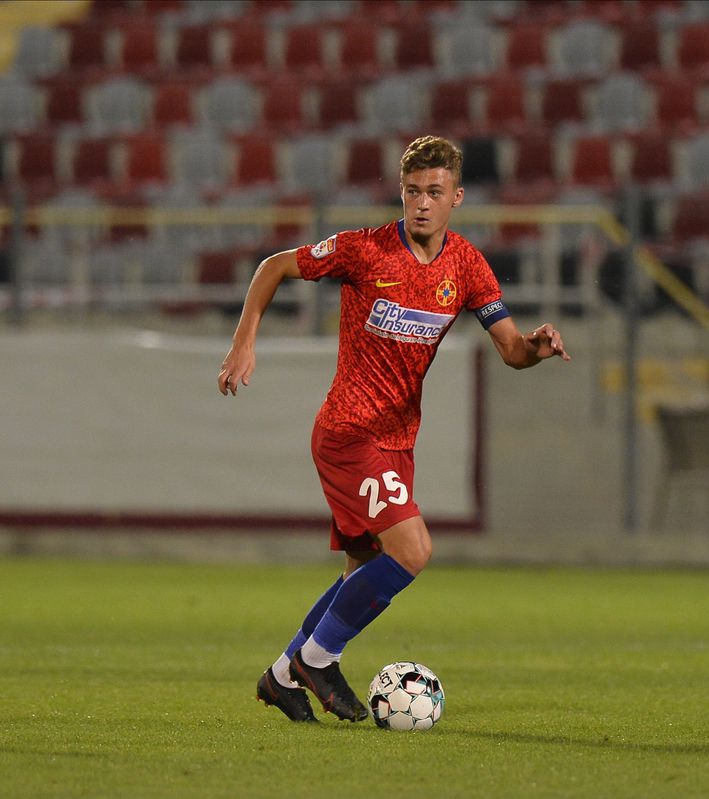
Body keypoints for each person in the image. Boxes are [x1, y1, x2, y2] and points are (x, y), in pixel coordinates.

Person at [218, 136, 570, 722]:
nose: (422, 203)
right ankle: (318, 659)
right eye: (412, 192)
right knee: (413, 550)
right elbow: (274, 265)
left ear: (456, 197)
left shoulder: (466, 265)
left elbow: (510, 350)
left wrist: (535, 347)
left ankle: (283, 676)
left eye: (435, 192)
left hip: (397, 441)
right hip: (349, 431)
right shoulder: (366, 251)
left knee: (364, 570)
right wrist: (243, 342)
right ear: (401, 193)